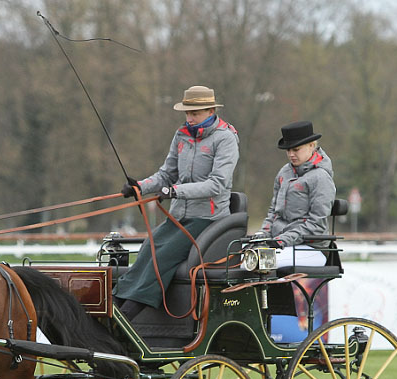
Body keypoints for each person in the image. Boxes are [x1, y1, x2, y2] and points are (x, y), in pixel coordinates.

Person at [114, 85, 240, 319]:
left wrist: (174, 191)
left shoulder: (225, 139)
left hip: (208, 218)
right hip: (179, 215)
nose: (190, 119)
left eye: (195, 113)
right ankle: (114, 305)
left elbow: (217, 184)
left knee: (162, 256)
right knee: (146, 251)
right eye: (187, 113)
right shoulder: (181, 135)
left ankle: (127, 317)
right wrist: (140, 187)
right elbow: (166, 174)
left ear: (211, 110)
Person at [254, 121, 336, 267]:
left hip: (312, 247)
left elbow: (316, 223)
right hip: (282, 244)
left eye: (296, 149)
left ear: (312, 145)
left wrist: (282, 240)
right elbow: (273, 213)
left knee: (260, 263)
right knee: (243, 259)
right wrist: (261, 235)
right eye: (288, 150)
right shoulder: (284, 173)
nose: (291, 154)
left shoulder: (321, 178)